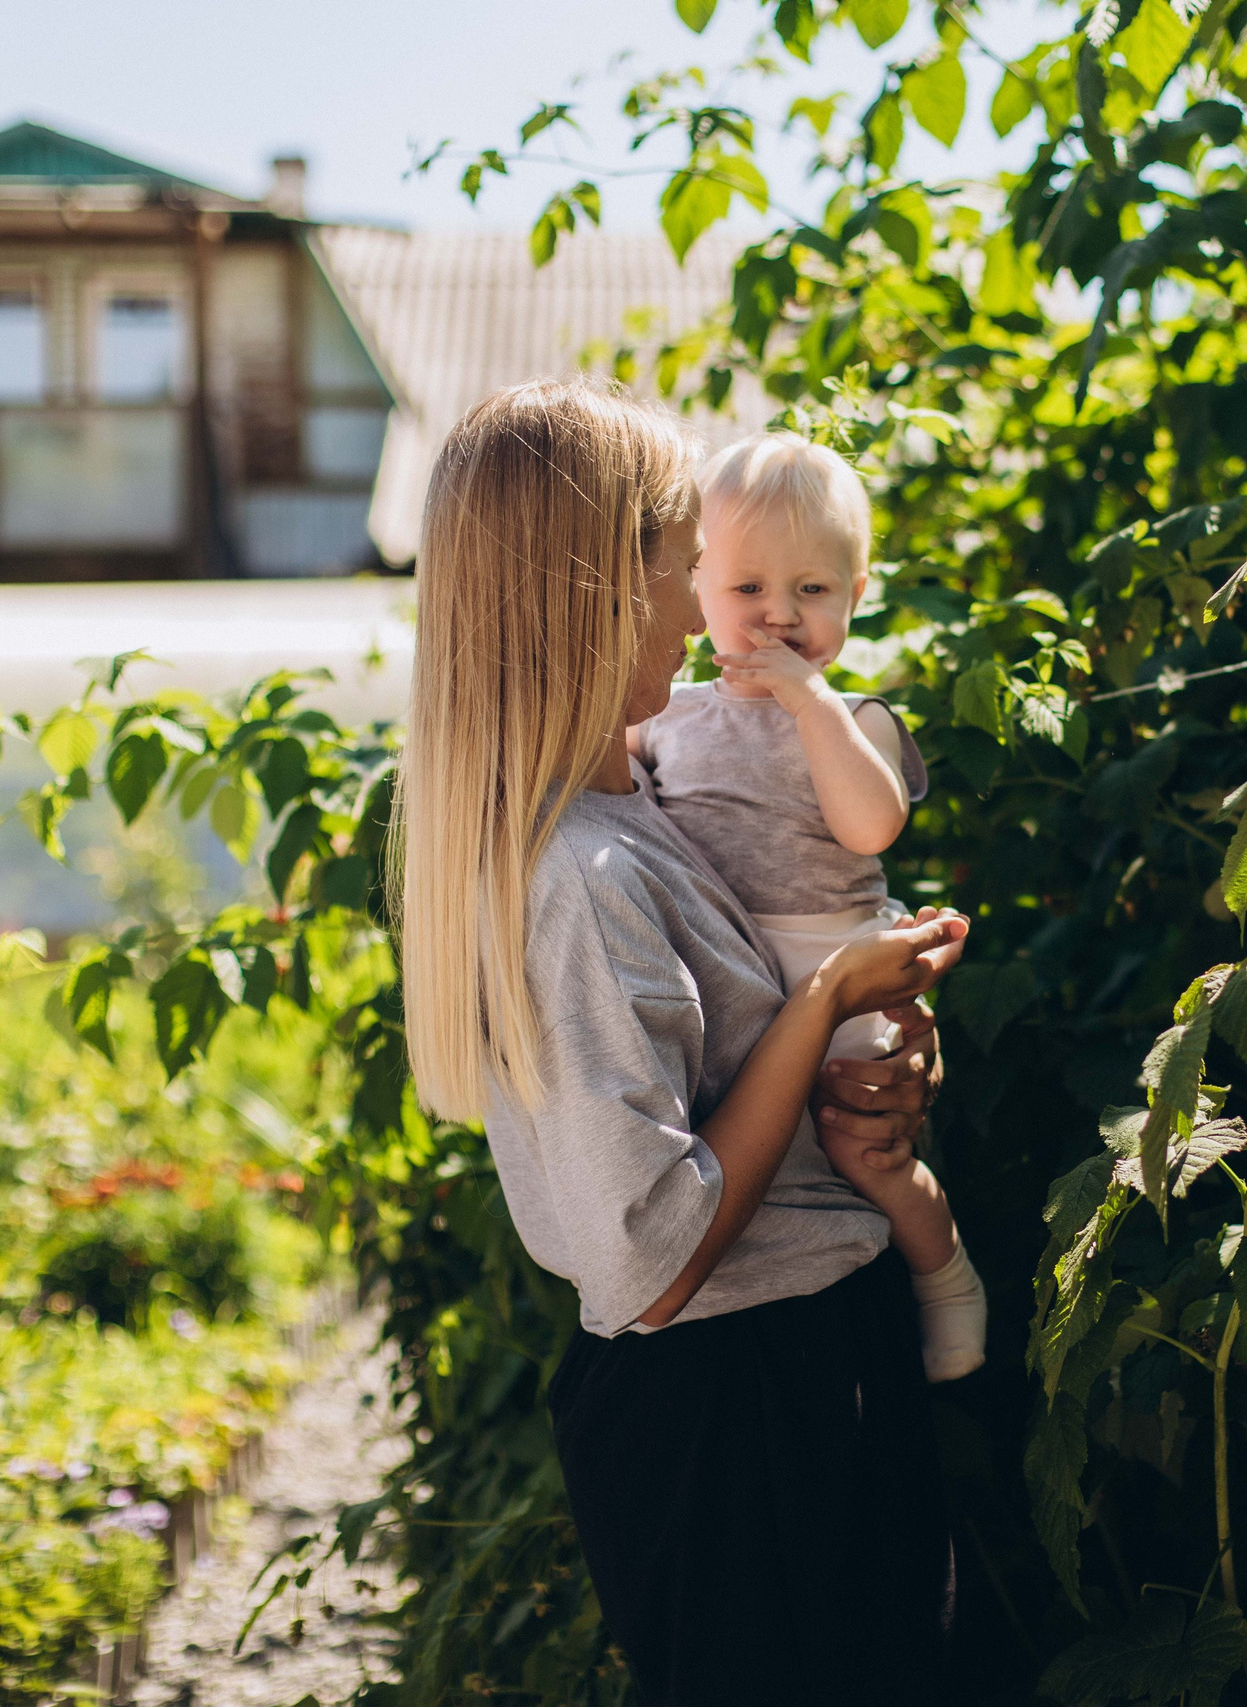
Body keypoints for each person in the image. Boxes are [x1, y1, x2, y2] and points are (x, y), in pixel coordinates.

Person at [393, 378, 968, 1706]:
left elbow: (745, 1045)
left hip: (797, 1357)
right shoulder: (579, 879)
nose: (705, 593)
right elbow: (648, 1263)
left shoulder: (647, 807)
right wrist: (824, 1003)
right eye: (679, 554)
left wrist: (880, 1050)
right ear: (596, 587)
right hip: (733, 1405)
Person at [632, 431, 987, 1381]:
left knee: (866, 1147)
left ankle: (946, 1275)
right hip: (728, 972)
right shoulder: (666, 715)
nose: (780, 614)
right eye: (748, 587)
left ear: (855, 595)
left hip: (845, 967)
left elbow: (872, 825)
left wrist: (811, 704)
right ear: (697, 589)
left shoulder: (857, 718)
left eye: (812, 589)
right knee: (742, 1145)